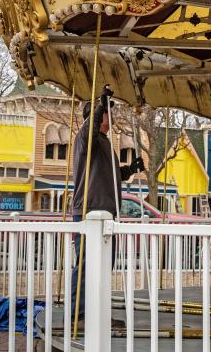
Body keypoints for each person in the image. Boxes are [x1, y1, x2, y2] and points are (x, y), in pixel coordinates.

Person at [70, 85, 145, 323]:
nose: (110, 117)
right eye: (106, 113)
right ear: (97, 116)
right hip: (89, 210)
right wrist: (101, 103)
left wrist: (130, 169)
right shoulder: (86, 137)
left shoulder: (103, 142)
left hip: (105, 213)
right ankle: (80, 313)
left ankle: (98, 312)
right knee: (86, 264)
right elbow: (90, 129)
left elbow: (110, 175)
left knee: (103, 265)